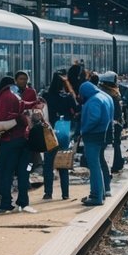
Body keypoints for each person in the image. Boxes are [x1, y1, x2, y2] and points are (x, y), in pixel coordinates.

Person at [0, 75, 33, 214]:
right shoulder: (16, 95)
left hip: (10, 140)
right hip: (24, 139)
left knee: (5, 172)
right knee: (23, 171)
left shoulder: (4, 96)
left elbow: (0, 120)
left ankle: (5, 203)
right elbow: (25, 106)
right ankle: (23, 201)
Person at [41, 71, 77, 201]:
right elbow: (77, 110)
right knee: (63, 162)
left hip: (49, 131)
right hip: (64, 131)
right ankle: (65, 194)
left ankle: (48, 193)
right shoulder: (68, 97)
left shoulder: (46, 96)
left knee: (48, 164)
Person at [78, 79, 114, 206]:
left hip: (94, 135)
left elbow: (94, 118)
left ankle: (96, 196)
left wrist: (83, 130)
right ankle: (102, 193)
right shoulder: (105, 96)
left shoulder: (94, 100)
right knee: (98, 164)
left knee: (94, 166)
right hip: (104, 133)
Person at [98, 71, 125, 172]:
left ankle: (117, 163)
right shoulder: (115, 92)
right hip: (117, 121)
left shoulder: (108, 93)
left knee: (111, 144)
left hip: (113, 122)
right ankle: (118, 162)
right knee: (116, 143)